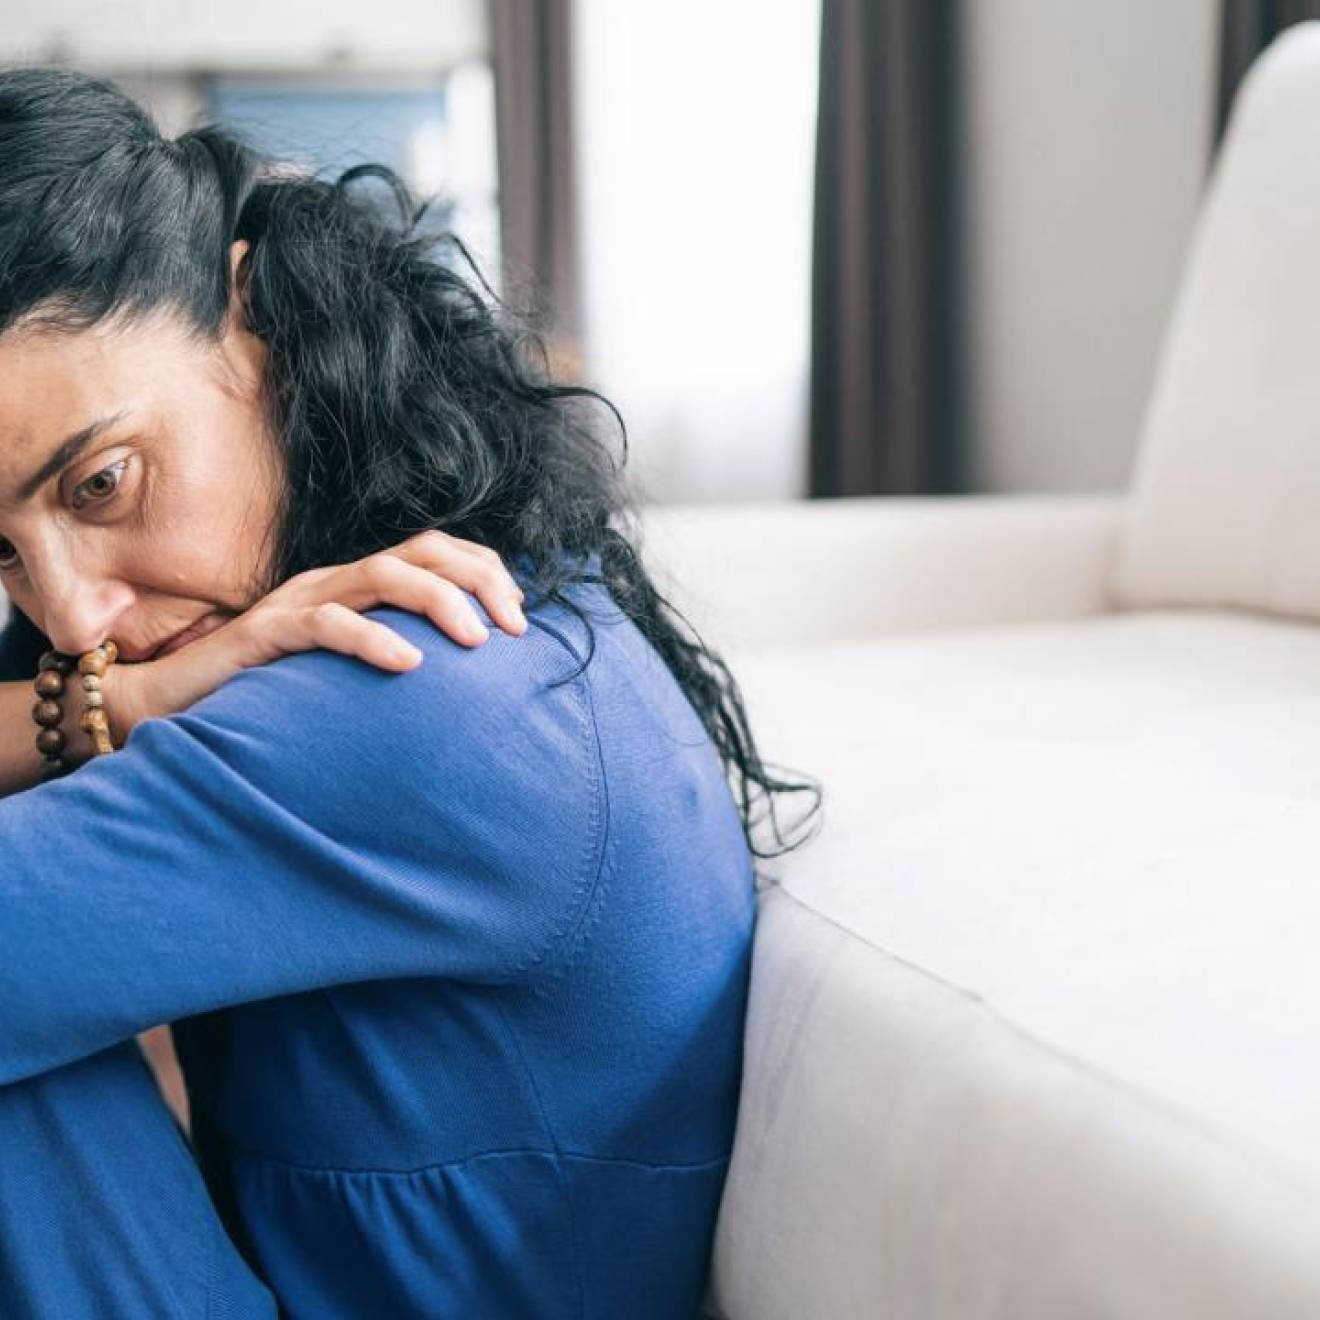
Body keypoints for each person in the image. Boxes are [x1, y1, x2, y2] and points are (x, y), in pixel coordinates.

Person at [0, 66, 817, 1318]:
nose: (68, 615)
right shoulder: (504, 588)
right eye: (1, 553)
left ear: (250, 319)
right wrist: (133, 703)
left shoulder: (410, 694)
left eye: (102, 484)